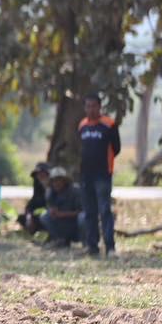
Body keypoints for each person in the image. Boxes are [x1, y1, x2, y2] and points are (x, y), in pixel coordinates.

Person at [78, 93, 121, 257]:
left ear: (99, 106)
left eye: (94, 106)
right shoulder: (82, 125)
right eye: (87, 106)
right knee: (89, 212)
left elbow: (116, 148)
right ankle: (92, 246)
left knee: (104, 210)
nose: (91, 109)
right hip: (86, 176)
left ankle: (110, 247)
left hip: (103, 175)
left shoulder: (109, 125)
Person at [40, 166, 85, 247]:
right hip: (62, 225)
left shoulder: (76, 191)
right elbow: (51, 208)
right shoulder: (50, 193)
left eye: (59, 180)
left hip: (75, 225)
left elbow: (82, 211)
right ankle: (60, 240)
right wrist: (52, 211)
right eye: (54, 181)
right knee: (45, 216)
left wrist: (63, 214)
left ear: (65, 181)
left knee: (83, 218)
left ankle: (86, 242)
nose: (56, 183)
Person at [17, 162, 50, 235]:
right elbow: (31, 205)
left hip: (52, 216)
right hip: (39, 216)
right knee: (22, 218)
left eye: (42, 174)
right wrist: (29, 217)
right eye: (38, 174)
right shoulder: (38, 188)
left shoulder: (54, 188)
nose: (40, 176)